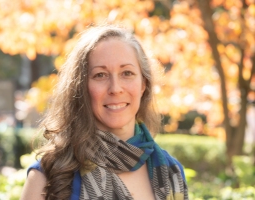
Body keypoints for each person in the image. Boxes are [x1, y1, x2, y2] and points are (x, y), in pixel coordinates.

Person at [21, 26, 188, 200]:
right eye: (100, 75)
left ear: (143, 85)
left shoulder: (171, 172)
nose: (115, 88)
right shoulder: (49, 177)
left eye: (127, 73)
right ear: (82, 87)